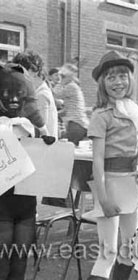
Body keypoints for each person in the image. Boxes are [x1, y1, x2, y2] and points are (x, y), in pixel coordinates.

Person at [86, 50, 138, 280]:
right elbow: (97, 159)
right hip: (109, 184)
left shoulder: (132, 110)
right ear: (102, 83)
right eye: (111, 77)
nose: (118, 82)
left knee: (131, 249)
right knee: (108, 251)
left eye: (122, 75)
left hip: (130, 182)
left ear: (130, 79)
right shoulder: (100, 115)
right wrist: (103, 198)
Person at [0, 63, 55, 280]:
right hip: (1, 204)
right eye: (6, 94)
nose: (13, 100)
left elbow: (46, 161)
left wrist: (47, 144)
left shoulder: (31, 126)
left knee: (20, 259)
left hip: (26, 204)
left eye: (19, 95)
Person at [12, 50, 58, 138]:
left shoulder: (41, 95)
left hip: (40, 149)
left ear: (33, 71)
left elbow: (38, 132)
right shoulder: (38, 91)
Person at [54, 63, 89, 146]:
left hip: (75, 124)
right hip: (79, 124)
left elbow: (55, 93)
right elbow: (66, 111)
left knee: (69, 151)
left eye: (62, 75)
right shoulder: (73, 86)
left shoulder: (71, 87)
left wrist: (60, 81)